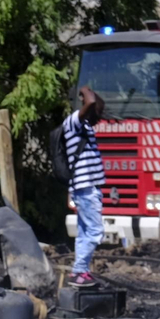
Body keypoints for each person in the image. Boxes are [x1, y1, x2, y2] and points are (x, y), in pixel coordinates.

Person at [64, 86, 106, 287]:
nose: (99, 114)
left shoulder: (86, 127)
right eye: (96, 111)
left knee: (83, 233)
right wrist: (86, 89)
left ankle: (81, 272)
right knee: (95, 231)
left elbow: (97, 105)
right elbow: (90, 102)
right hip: (86, 188)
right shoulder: (73, 123)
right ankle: (79, 271)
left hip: (85, 187)